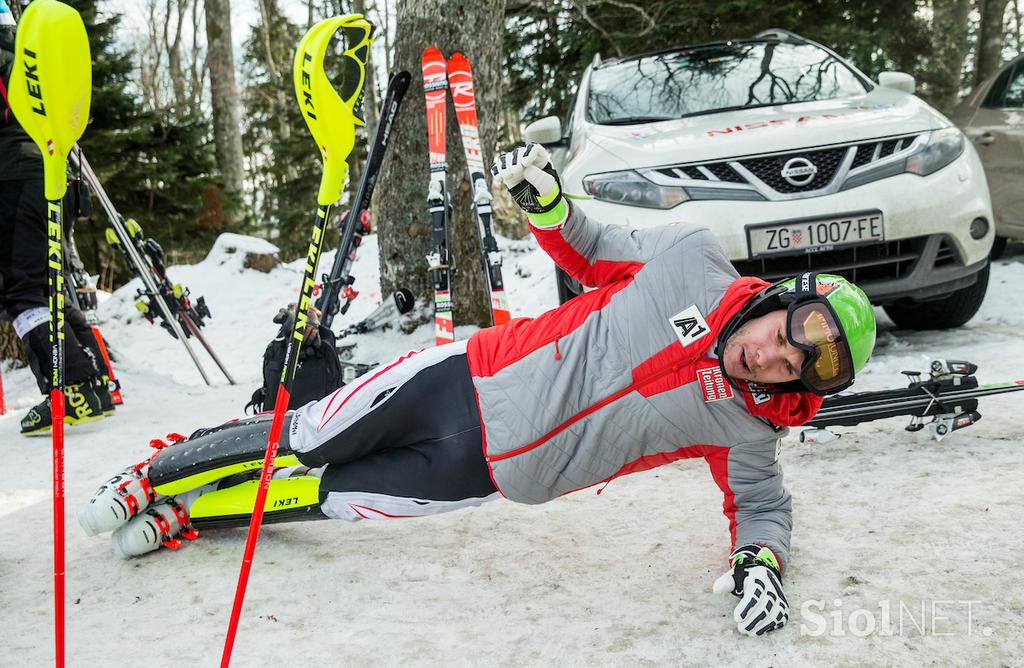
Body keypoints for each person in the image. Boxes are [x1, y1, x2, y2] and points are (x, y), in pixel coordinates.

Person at [80, 144, 876, 636]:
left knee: (336, 497)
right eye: (787, 335)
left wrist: (762, 565)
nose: (774, 360)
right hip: (462, 382)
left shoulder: (749, 430)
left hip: (485, 477)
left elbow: (763, 511)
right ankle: (154, 474)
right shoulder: (693, 261)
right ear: (780, 300)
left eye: (796, 371)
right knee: (309, 435)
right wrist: (550, 205)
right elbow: (593, 246)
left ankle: (194, 512)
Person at [0, 0, 114, 434]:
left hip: (17, 179)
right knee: (49, 285)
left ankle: (73, 389)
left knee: (23, 291)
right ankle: (97, 383)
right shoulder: (30, 54)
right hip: (55, 174)